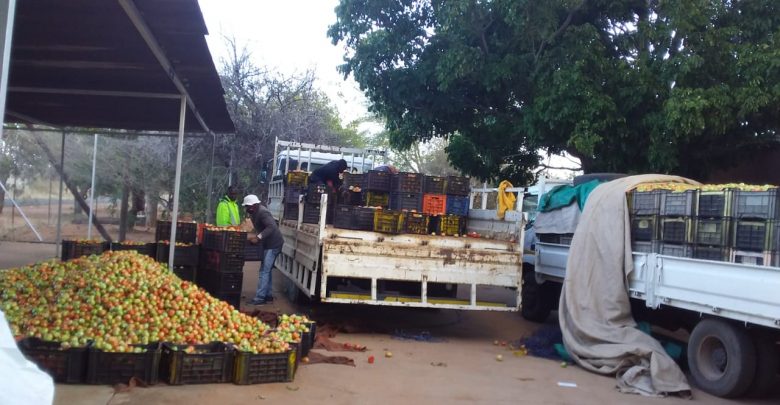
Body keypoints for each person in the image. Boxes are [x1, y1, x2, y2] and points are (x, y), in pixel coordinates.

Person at [242, 194, 284, 305]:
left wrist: (259, 237)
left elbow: (272, 227)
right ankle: (268, 296)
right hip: (268, 244)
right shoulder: (254, 213)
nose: (246, 209)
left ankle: (260, 298)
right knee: (267, 270)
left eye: (248, 206)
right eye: (246, 206)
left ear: (254, 205)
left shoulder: (262, 212)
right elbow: (261, 228)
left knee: (264, 271)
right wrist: (256, 236)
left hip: (274, 244)